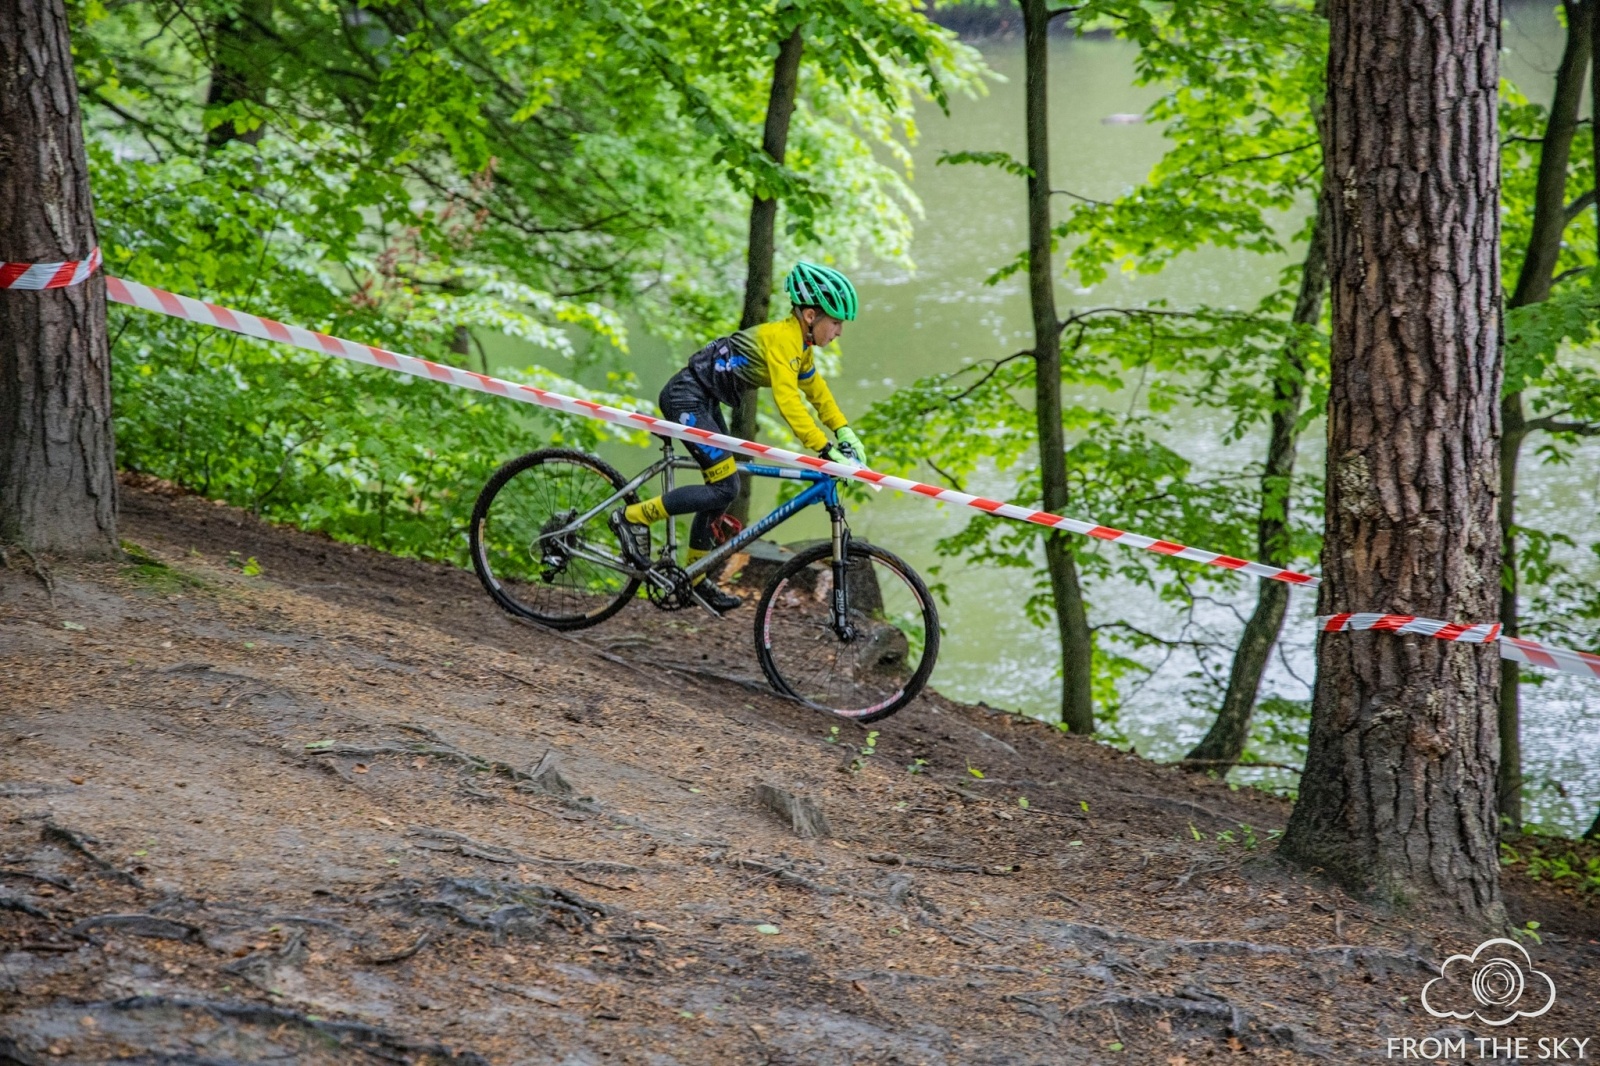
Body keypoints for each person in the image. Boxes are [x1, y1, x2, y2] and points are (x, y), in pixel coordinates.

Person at [610, 261, 868, 613]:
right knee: (725, 486)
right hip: (686, 398)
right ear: (810, 316)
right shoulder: (782, 340)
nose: (838, 332)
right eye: (835, 322)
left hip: (704, 399)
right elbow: (789, 401)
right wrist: (823, 447)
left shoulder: (800, 347)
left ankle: (695, 580)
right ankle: (633, 517)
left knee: (720, 493)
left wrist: (843, 430)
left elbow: (816, 391)